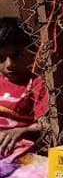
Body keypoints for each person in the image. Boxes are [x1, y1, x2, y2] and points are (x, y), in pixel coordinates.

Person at [0, 20, 46, 158]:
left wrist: (22, 130)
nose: (9, 64)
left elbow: (45, 124)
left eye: (16, 56)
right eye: (1, 58)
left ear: (31, 53)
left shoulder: (37, 84)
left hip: (19, 151)